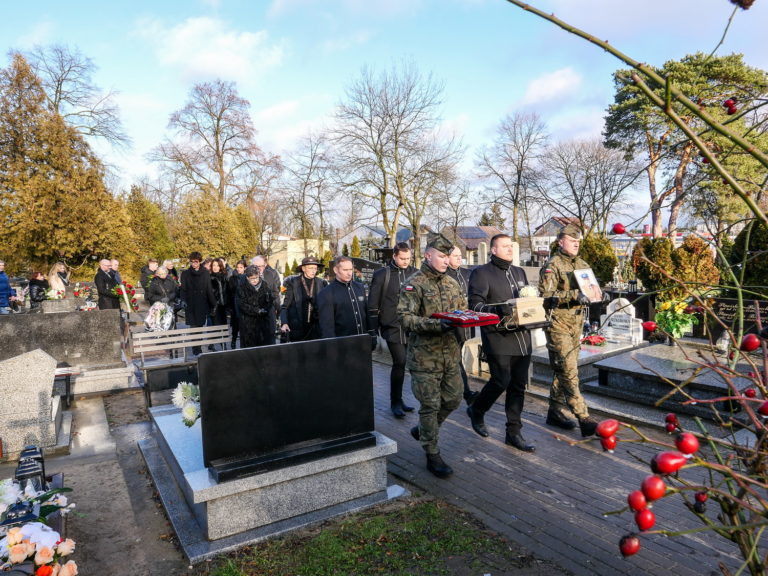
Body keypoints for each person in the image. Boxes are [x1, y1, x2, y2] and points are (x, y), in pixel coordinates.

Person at [397, 236, 467, 478]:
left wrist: (477, 316)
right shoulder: (413, 284)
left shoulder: (452, 283)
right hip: (424, 357)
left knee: (454, 399)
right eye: (441, 256)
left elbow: (462, 310)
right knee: (430, 405)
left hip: (450, 354)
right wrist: (437, 324)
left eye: (449, 256)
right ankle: (432, 452)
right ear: (428, 256)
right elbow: (405, 318)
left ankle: (425, 430)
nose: (446, 261)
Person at [466, 234, 536, 453]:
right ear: (493, 250)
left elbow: (527, 303)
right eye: (504, 246)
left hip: (522, 338)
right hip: (498, 337)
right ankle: (477, 409)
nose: (509, 249)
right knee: (501, 380)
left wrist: (542, 304)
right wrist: (496, 309)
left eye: (511, 246)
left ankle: (513, 432)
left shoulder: (519, 272)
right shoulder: (481, 273)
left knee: (518, 386)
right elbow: (475, 306)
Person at [539, 224, 598, 437]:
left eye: (578, 241)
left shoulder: (582, 264)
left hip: (576, 324)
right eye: (572, 240)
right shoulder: (552, 264)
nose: (576, 244)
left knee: (563, 369)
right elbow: (546, 296)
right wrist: (573, 296)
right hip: (558, 325)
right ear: (561, 241)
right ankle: (584, 417)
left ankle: (554, 412)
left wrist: (598, 295)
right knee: (569, 371)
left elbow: (591, 289)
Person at [368, 242, 417, 418]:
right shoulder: (382, 275)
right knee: (400, 361)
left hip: (411, 326)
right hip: (392, 326)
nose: (405, 262)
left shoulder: (415, 273)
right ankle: (395, 401)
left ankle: (401, 400)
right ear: (394, 256)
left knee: (409, 363)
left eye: (408, 258)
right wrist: (373, 331)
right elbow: (373, 304)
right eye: (402, 258)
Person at [446, 246, 479, 406]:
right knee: (456, 358)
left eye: (460, 255)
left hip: (467, 323)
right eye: (455, 256)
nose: (459, 258)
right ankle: (466, 392)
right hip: (453, 325)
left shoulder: (467, 273)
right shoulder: (444, 275)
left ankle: (460, 390)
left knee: (457, 359)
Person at [318, 256, 374, 343]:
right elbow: (327, 325)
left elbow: (366, 312)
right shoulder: (326, 293)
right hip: (343, 344)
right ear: (336, 270)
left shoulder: (359, 287)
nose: (349, 273)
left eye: (350, 269)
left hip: (363, 341)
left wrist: (372, 335)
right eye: (345, 270)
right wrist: (331, 347)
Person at [280, 256, 328, 342]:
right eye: (311, 268)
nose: (314, 271)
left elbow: (326, 306)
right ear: (303, 268)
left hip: (316, 329)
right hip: (297, 329)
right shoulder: (293, 283)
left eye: (315, 268)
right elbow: (285, 307)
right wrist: (284, 323)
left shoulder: (322, 283)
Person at [180, 252, 216, 355]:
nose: (193, 264)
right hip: (190, 304)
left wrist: (214, 304)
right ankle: (196, 350)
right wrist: (183, 300)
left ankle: (198, 348)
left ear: (200, 261)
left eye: (196, 261)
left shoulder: (205, 273)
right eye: (191, 261)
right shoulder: (185, 273)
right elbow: (183, 289)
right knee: (193, 327)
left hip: (201, 304)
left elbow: (209, 289)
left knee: (199, 327)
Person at [237, 265, 275, 348]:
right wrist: (256, 310)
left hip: (263, 322)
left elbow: (270, 299)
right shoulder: (242, 288)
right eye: (252, 278)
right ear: (247, 278)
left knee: (264, 348)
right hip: (248, 324)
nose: (254, 280)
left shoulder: (265, 285)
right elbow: (242, 304)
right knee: (250, 349)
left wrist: (265, 309)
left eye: (256, 278)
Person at [253, 255, 281, 344]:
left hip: (269, 311)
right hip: (254, 313)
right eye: (256, 267)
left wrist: (277, 308)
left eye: (261, 266)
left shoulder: (271, 274)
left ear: (265, 265)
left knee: (270, 337)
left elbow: (275, 292)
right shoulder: (246, 278)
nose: (259, 268)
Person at [228, 259, 246, 348]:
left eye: (241, 267)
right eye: (238, 267)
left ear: (244, 268)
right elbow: (230, 292)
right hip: (235, 305)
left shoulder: (247, 277)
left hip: (245, 305)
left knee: (244, 326)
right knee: (235, 326)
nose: (239, 269)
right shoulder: (232, 278)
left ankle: (244, 343)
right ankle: (233, 341)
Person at [209, 258, 229, 327]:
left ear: (220, 267)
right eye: (214, 265)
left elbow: (227, 292)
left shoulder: (224, 277)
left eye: (217, 265)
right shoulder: (209, 278)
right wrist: (214, 304)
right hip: (214, 307)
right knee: (216, 328)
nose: (215, 267)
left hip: (223, 307)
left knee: (224, 327)